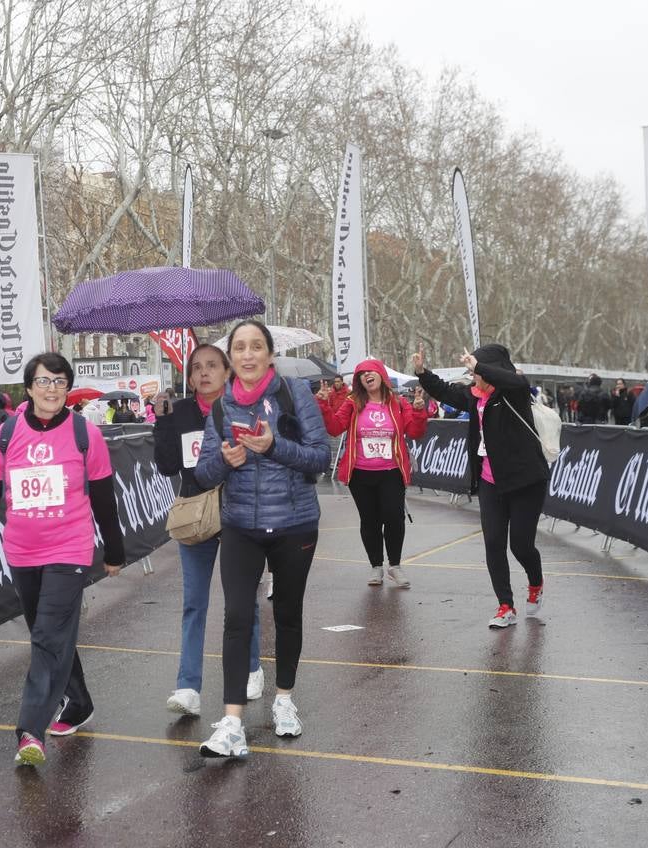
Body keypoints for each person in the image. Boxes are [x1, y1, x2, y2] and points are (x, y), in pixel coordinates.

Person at [0, 352, 125, 767]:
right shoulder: (6, 434)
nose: (52, 389)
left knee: (47, 637)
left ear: (67, 388)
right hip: (23, 552)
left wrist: (114, 551)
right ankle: (78, 703)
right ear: (29, 388)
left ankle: (30, 730)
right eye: (43, 381)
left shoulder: (84, 433)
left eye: (59, 382)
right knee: (50, 633)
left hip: (69, 550)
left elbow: (104, 498)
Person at [194, 320, 329, 758]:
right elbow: (203, 474)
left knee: (287, 614)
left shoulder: (295, 394)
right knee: (236, 617)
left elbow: (320, 457)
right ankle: (232, 722)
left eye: (256, 347)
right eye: (240, 348)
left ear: (270, 355)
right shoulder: (220, 406)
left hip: (295, 524)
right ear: (231, 358)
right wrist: (226, 461)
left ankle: (285, 701)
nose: (248, 355)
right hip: (240, 527)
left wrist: (273, 447)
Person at [153, 343, 265, 717]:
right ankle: (188, 686)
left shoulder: (241, 408)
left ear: (228, 370)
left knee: (241, 599)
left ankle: (252, 667)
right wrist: (163, 420)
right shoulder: (180, 410)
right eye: (197, 367)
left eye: (212, 366)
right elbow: (168, 465)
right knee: (193, 602)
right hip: (196, 515)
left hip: (237, 514)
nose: (204, 373)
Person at [414, 344, 549, 629]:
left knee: (521, 547)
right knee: (494, 544)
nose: (472, 377)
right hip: (490, 482)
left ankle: (535, 583)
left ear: (491, 370)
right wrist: (422, 372)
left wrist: (480, 366)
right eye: (472, 372)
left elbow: (516, 381)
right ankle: (505, 606)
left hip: (526, 481)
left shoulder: (514, 391)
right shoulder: (473, 396)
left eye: (476, 372)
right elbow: (444, 391)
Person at [316, 358, 429, 587]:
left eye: (370, 371)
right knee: (370, 520)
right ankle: (376, 566)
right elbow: (335, 428)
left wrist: (418, 411)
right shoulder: (352, 403)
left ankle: (394, 566)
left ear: (381, 375)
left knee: (394, 517)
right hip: (360, 473)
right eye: (361, 374)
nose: (366, 376)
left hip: (391, 471)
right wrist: (324, 405)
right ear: (359, 381)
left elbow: (415, 432)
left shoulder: (398, 403)